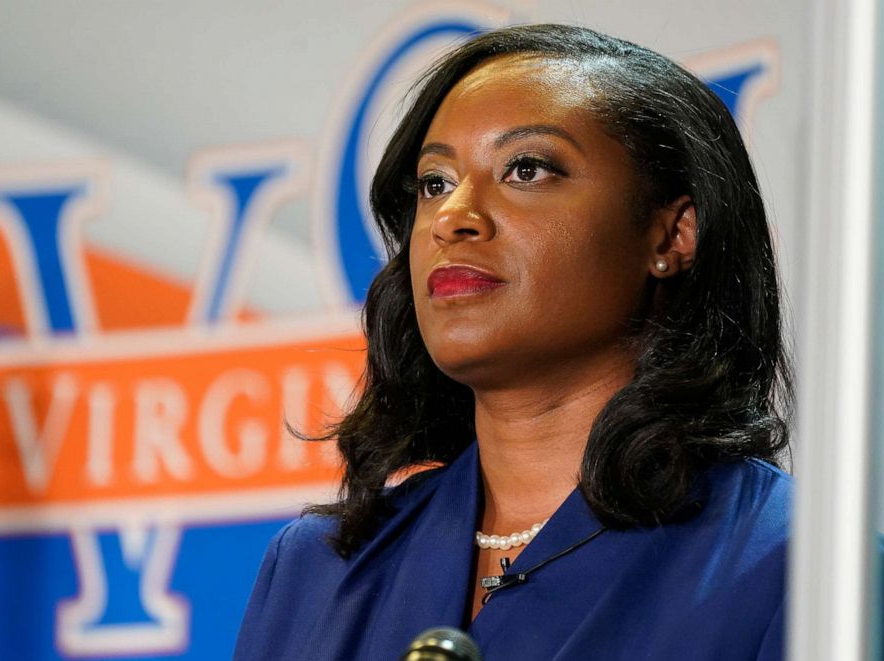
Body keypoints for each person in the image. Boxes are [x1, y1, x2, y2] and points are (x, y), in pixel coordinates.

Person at [234, 23, 792, 661]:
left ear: (671, 236)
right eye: (435, 183)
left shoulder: (792, 565)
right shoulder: (315, 571)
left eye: (526, 169)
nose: (453, 217)